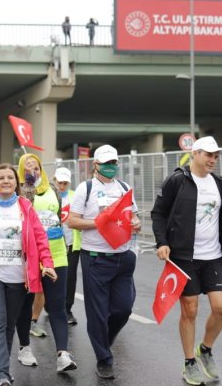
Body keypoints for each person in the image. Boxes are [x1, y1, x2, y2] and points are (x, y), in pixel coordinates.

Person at [151, 136, 222, 385]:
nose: (212, 160)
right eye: (208, 155)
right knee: (190, 310)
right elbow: (158, 212)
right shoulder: (178, 180)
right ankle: (189, 361)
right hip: (184, 257)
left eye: (216, 156)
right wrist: (162, 242)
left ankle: (205, 350)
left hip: (213, 257)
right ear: (195, 153)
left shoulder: (218, 183)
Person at [0, 163, 57, 386]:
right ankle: (0, 375)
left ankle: (2, 368)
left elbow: (40, 238)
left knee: (8, 325)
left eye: (10, 178)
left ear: (16, 183)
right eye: (1, 177)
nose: (6, 181)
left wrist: (48, 263)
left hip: (18, 278)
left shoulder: (26, 207)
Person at [67, 145, 141, 380]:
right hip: (96, 258)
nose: (111, 167)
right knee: (98, 312)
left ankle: (103, 341)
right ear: (96, 165)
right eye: (106, 163)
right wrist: (99, 222)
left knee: (124, 308)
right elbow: (72, 221)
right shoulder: (85, 189)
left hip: (123, 256)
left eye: (114, 163)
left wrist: (136, 223)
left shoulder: (124, 188)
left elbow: (134, 215)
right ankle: (104, 359)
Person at [13, 154, 76, 372]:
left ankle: (62, 354)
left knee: (57, 305)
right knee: (25, 304)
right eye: (28, 167)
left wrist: (57, 230)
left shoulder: (54, 191)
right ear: (21, 170)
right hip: (30, 256)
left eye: (36, 167)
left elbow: (57, 216)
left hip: (56, 254)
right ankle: (24, 347)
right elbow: (22, 214)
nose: (33, 171)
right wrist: (28, 183)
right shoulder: (19, 191)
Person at [54, 167, 82, 325]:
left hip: (71, 244)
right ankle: (51, 306)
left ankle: (67, 309)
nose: (62, 186)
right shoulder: (49, 195)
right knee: (52, 276)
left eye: (65, 183)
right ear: (54, 181)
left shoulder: (75, 197)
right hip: (53, 244)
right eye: (60, 182)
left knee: (70, 277)